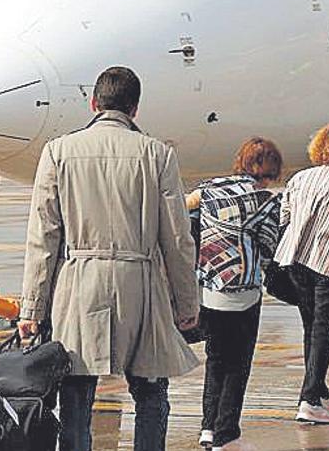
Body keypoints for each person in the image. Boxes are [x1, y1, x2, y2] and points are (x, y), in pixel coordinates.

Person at [18, 67, 200, 451]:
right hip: (141, 284)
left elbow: (42, 238)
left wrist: (32, 309)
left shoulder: (58, 152)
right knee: (151, 394)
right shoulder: (158, 154)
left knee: (76, 398)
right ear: (135, 108)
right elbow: (177, 239)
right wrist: (187, 303)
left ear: (93, 103)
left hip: (79, 284)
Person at [186, 138, 285, 451]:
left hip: (210, 289)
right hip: (244, 294)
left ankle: (207, 427)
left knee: (215, 359)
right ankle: (225, 433)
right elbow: (269, 245)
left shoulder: (209, 189)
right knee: (237, 365)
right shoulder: (265, 200)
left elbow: (190, 227)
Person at [275, 123, 329, 424]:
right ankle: (310, 399)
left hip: (296, 260)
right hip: (328, 263)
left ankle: (319, 388)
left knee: (310, 327)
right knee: (323, 331)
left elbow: (284, 218)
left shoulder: (299, 178)